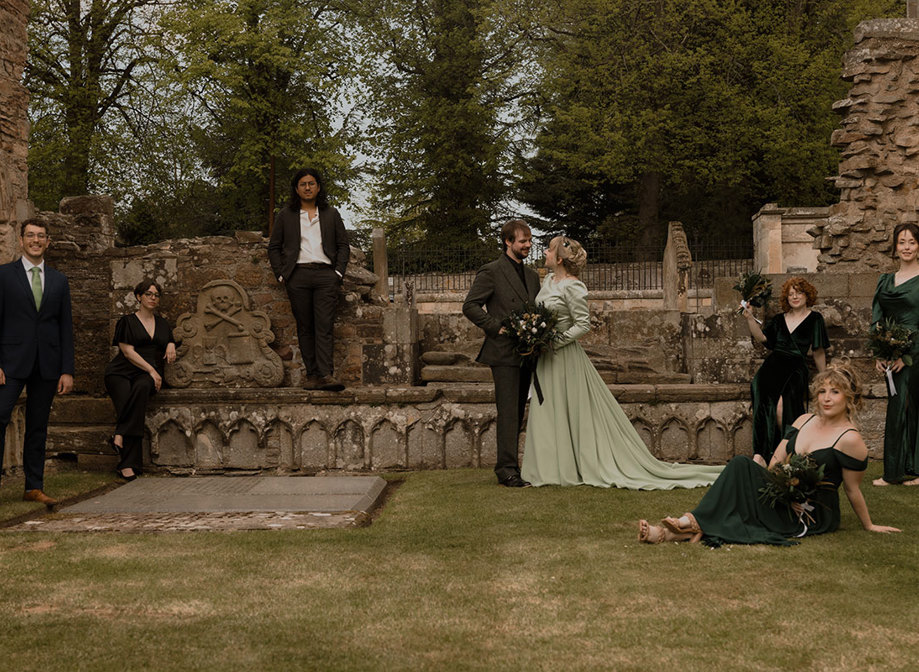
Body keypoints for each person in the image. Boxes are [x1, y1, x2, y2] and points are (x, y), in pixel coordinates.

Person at [521, 235, 722, 489]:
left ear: (559, 258)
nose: (545, 254)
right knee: (549, 409)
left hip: (563, 358)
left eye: (549, 250)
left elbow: (582, 325)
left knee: (568, 409)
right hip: (545, 359)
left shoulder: (573, 287)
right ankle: (550, 469)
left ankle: (574, 467)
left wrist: (552, 342)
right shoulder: (548, 281)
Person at [638, 363, 901, 545]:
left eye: (835, 392)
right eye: (822, 391)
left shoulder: (851, 439)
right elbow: (776, 462)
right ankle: (675, 531)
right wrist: (771, 489)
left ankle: (681, 526)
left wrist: (869, 525)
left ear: (850, 397)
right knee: (742, 465)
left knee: (741, 489)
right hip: (784, 497)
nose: (826, 398)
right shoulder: (803, 420)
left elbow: (853, 490)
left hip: (810, 513)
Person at [0, 219, 74, 506]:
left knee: (38, 427)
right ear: (20, 241)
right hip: (10, 363)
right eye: (30, 235)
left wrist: (67, 369)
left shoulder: (59, 280)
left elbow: (65, 327)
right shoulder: (4, 276)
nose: (35, 240)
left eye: (40, 236)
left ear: (48, 242)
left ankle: (33, 487)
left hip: (47, 364)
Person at [463, 219, 540, 487]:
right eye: (523, 241)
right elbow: (470, 306)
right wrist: (497, 328)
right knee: (508, 412)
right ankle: (506, 470)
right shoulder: (491, 271)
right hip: (503, 352)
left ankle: (521, 466)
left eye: (530, 240)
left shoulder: (532, 276)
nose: (528, 245)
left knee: (519, 412)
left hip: (528, 352)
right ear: (508, 242)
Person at [268, 168, 349, 391]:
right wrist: (282, 274)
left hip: (326, 275)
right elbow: (274, 247)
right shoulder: (287, 215)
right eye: (303, 184)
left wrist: (338, 273)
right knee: (305, 327)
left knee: (324, 326)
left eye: (311, 183)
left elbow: (343, 245)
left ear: (318, 187)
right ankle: (312, 376)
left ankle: (326, 375)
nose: (307, 187)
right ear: (296, 189)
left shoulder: (331, 214)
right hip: (298, 276)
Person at [743, 277, 828, 463]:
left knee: (782, 407)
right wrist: (750, 318)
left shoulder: (815, 319)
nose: (794, 296)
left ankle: (785, 453)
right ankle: (761, 454)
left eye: (798, 292)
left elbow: (819, 350)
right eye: (790, 294)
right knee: (763, 407)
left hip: (795, 368)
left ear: (807, 295)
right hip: (771, 367)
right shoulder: (779, 319)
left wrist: (824, 378)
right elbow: (763, 339)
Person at [104, 280, 176, 480]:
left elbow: (168, 338)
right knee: (129, 403)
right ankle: (127, 466)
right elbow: (127, 352)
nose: (153, 298)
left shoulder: (162, 323)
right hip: (121, 372)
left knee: (141, 390)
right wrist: (152, 370)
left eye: (156, 295)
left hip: (144, 376)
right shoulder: (126, 321)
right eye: (148, 294)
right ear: (138, 297)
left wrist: (171, 344)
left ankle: (119, 436)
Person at [871, 222, 919, 486]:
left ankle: (897, 473)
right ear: (895, 246)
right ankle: (901, 469)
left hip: (916, 352)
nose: (907, 247)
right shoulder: (885, 280)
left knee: (910, 408)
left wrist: (907, 355)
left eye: (911, 241)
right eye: (902, 242)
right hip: (891, 353)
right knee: (898, 406)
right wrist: (881, 352)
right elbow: (877, 318)